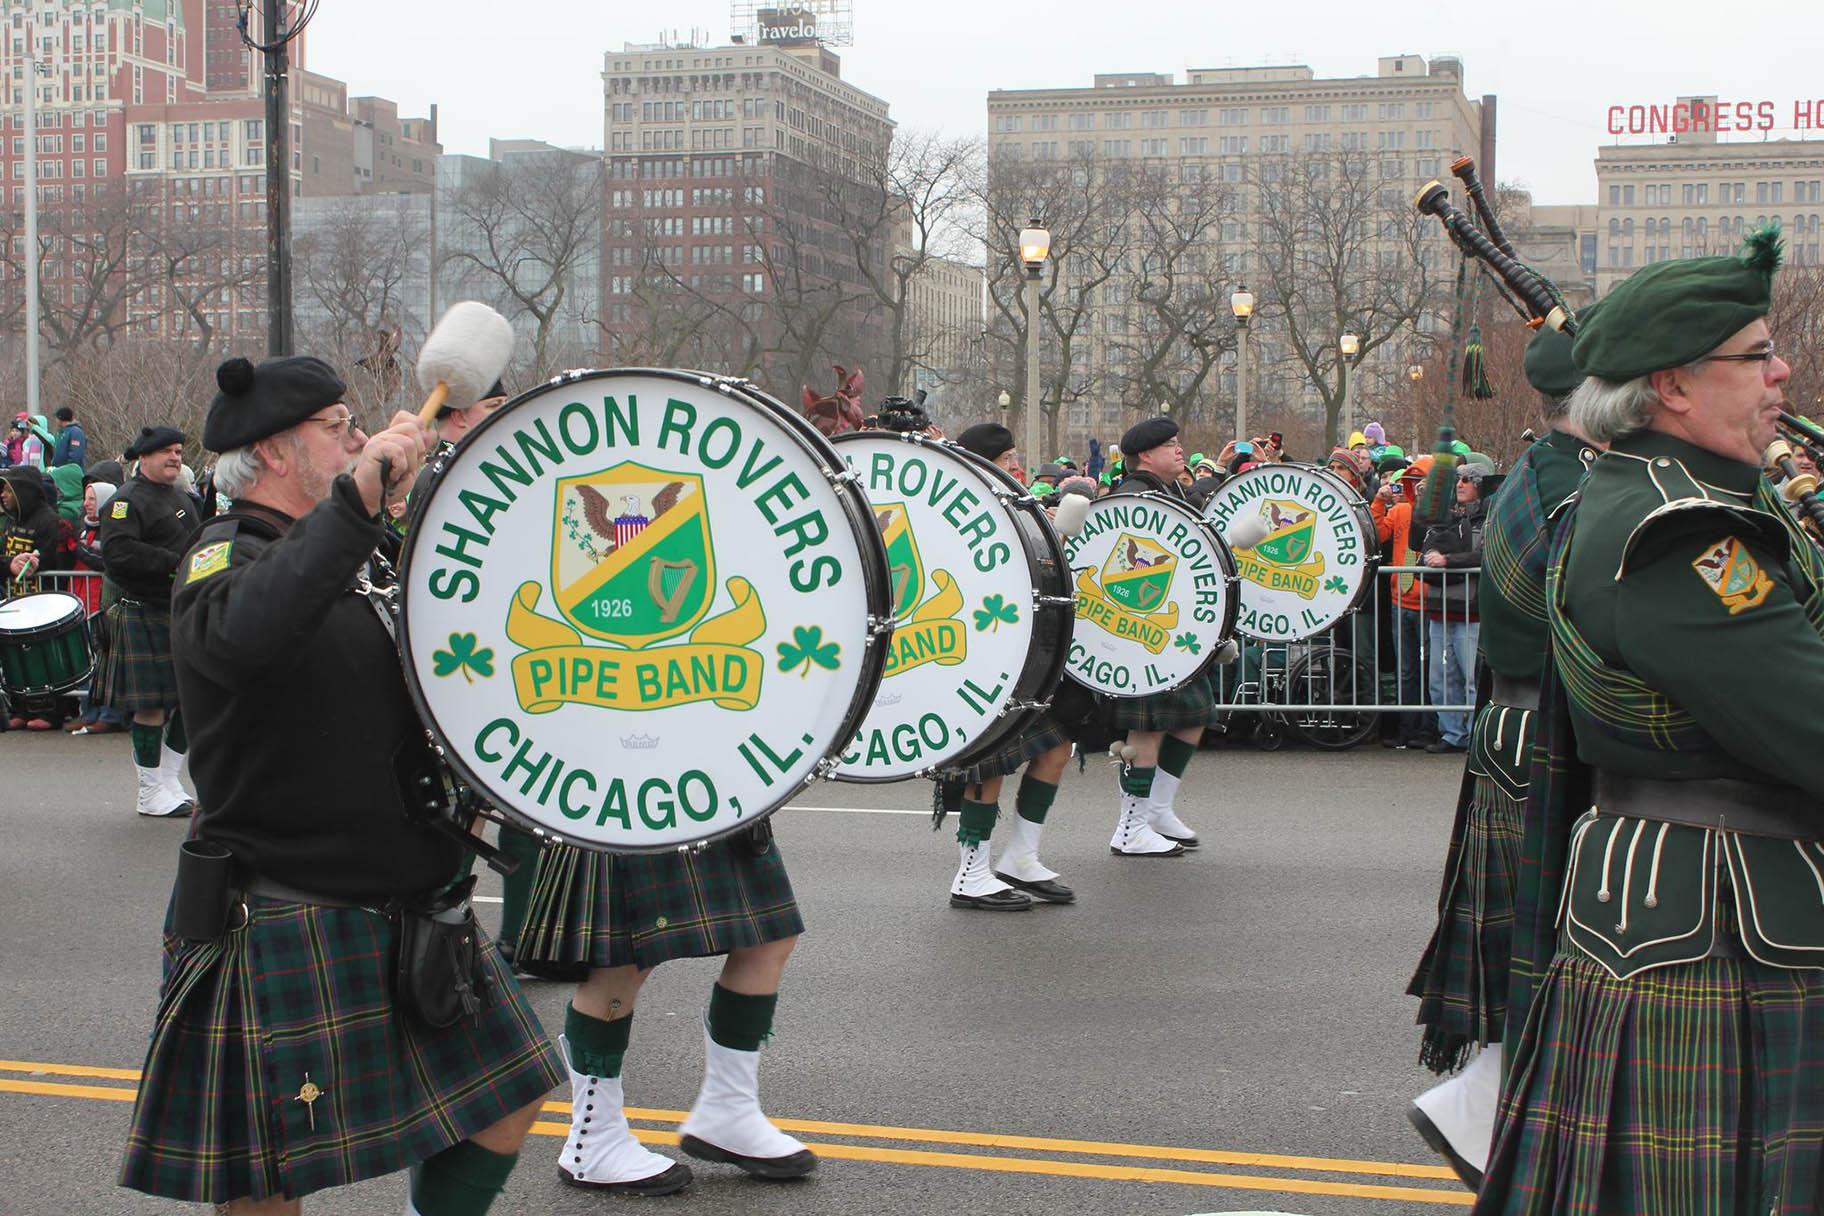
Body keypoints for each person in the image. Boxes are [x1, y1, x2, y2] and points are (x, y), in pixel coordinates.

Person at [119, 354, 563, 1215]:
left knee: (510, 1097)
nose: (360, 437)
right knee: (263, 1175)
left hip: (406, 891)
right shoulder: (221, 555)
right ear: (276, 452)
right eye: (338, 428)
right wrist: (356, 502)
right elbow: (248, 635)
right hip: (283, 899)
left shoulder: (361, 549)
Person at [1476, 230, 1824, 1215]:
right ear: (1671, 385)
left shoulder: (1681, 498)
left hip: (1718, 915)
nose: (1781, 371)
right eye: (1756, 356)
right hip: (1718, 929)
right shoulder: (1683, 536)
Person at [1405, 326, 1600, 1190]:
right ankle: (1487, 1101)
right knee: (1563, 938)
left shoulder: (1557, 473)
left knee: (1552, 936)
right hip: (1542, 732)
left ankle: (1493, 1100)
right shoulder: (1565, 486)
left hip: (1525, 728)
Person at [941, 422, 1078, 910]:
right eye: (1008, 460)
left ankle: (1021, 856)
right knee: (989, 764)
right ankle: (971, 872)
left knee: (1056, 748)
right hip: (978, 657)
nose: (1018, 467)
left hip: (1023, 656)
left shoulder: (1015, 509)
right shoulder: (959, 516)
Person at [1106, 415, 1204, 857]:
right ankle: (1130, 828)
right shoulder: (1133, 499)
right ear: (1146, 455)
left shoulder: (1168, 494)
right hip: (1137, 634)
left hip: (1167, 634)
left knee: (1193, 715)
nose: (1179, 450)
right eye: (1170, 445)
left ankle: (1157, 810)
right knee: (1145, 731)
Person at [98, 426, 201, 817]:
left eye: (178, 451)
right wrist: (175, 564)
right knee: (152, 707)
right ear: (145, 457)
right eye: (166, 452)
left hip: (180, 608)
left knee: (191, 701)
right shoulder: (126, 501)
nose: (175, 457)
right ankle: (149, 791)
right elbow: (118, 554)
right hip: (144, 609)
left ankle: (169, 781)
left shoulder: (181, 497)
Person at [1418, 463, 1491, 754]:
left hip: (1471, 611)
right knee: (1440, 677)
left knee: (1471, 677)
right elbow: (1422, 553)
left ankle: (1476, 735)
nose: (1459, 485)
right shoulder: (1442, 517)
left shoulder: (1489, 517)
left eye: (1466, 480)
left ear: (1479, 484)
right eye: (1457, 480)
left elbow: (1483, 555)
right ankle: (1451, 734)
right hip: (1440, 609)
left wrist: (1449, 561)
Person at [1373, 459, 1436, 748]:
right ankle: (1407, 727)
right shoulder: (1399, 511)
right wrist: (1378, 501)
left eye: (1422, 482)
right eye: (1412, 483)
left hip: (1429, 605)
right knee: (1406, 670)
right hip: (1402, 602)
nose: (1416, 488)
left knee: (1429, 670)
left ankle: (1429, 727)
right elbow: (1377, 534)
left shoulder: (1439, 513)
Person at [67, 479, 126, 735]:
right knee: (85, 662)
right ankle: (88, 712)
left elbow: (106, 562)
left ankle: (110, 714)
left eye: (92, 499)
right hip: (81, 598)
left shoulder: (112, 529)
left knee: (107, 660)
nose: (87, 504)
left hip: (102, 600)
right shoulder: (83, 528)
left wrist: (78, 550)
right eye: (86, 498)